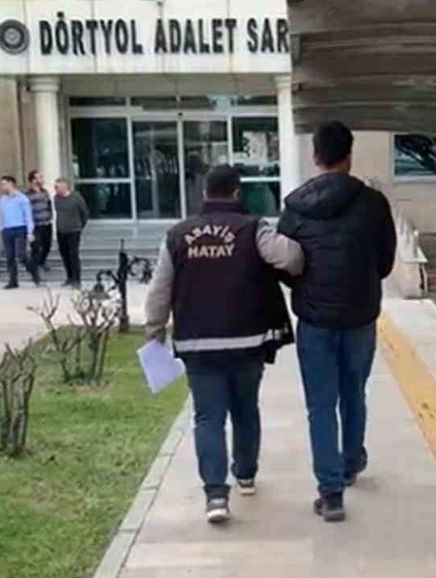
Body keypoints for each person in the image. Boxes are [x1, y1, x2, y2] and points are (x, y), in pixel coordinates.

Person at [145, 165, 304, 524]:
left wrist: (154, 330)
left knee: (208, 416)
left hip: (197, 343)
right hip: (246, 340)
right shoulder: (253, 228)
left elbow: (160, 289)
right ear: (237, 193)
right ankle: (245, 474)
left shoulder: (177, 235)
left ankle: (216, 495)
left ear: (204, 193)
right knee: (245, 409)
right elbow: (291, 259)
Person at [277, 121, 397, 523]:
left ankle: (331, 495)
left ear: (316, 157)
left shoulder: (295, 208)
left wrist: (306, 286)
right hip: (360, 317)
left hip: (314, 321)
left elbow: (284, 263)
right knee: (354, 391)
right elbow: (385, 263)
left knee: (321, 404)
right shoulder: (374, 204)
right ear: (349, 156)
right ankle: (350, 462)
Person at [0, 175, 39, 289]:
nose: (2, 187)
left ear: (11, 184)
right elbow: (1, 214)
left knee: (21, 254)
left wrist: (30, 232)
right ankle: (13, 280)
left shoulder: (22, 199)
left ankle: (33, 270)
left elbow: (28, 216)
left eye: (4, 184)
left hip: (20, 228)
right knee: (9, 256)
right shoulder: (2, 199)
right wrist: (2, 228)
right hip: (7, 229)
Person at [53, 178, 90, 288]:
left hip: (74, 230)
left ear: (65, 187)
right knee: (65, 255)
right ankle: (69, 277)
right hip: (61, 230)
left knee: (73, 255)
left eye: (57, 187)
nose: (55, 189)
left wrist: (80, 225)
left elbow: (85, 213)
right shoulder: (56, 198)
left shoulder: (76, 198)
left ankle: (77, 280)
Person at [26, 170, 54, 272]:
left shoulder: (45, 192)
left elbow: (49, 204)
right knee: (36, 246)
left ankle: (41, 261)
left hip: (46, 223)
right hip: (35, 225)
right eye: (39, 177)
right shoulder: (27, 194)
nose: (42, 179)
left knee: (47, 245)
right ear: (33, 180)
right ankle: (34, 267)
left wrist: (50, 216)